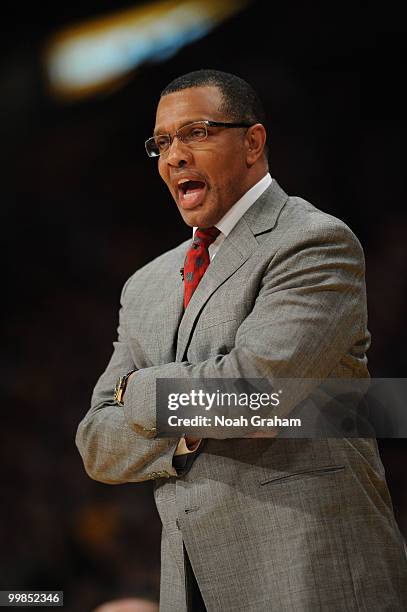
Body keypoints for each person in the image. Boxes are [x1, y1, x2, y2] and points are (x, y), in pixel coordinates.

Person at [76, 69, 407, 611]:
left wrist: (136, 394)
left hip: (309, 575)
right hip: (189, 587)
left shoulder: (312, 241)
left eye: (197, 132)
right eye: (162, 142)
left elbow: (252, 392)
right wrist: (188, 432)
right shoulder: (144, 286)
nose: (174, 155)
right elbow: (95, 442)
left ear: (252, 142)